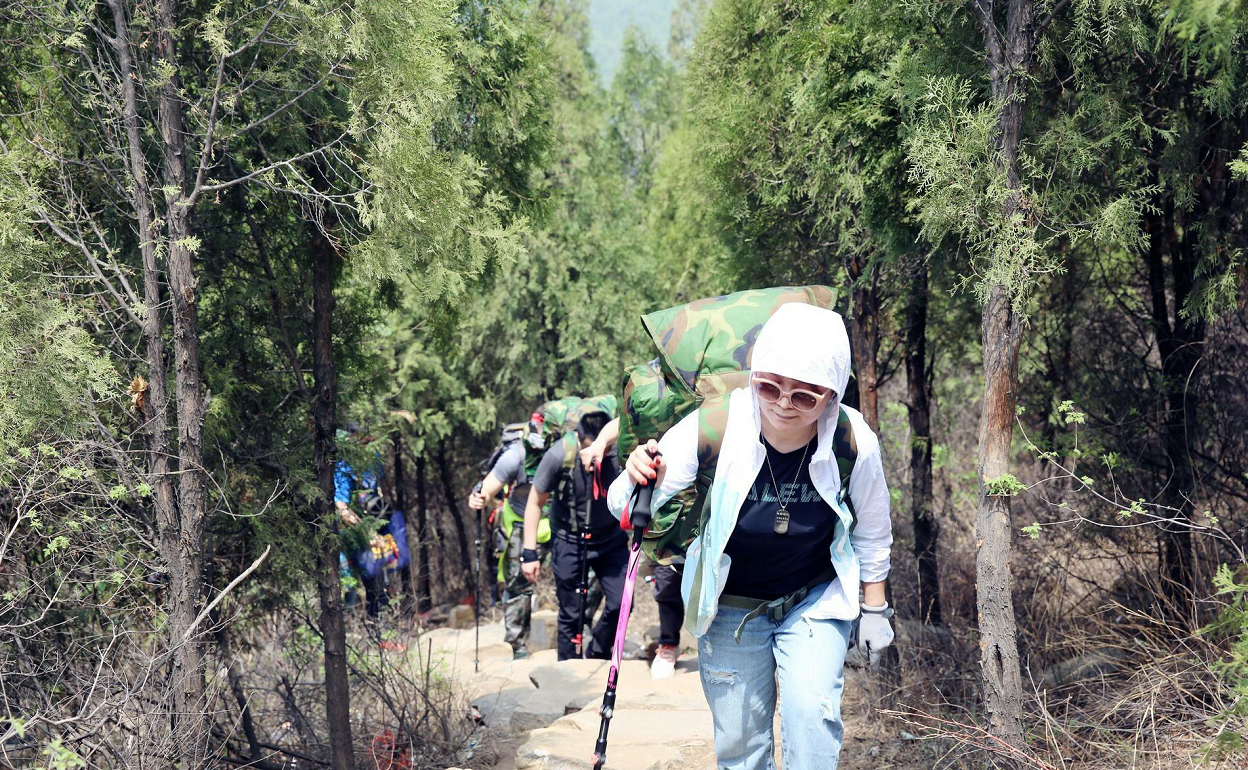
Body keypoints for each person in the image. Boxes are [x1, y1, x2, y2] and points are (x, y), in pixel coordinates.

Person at [609, 303, 894, 770]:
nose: (782, 403)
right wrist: (635, 473)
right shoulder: (716, 425)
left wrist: (876, 608)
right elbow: (623, 506)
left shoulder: (852, 440)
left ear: (831, 396)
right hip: (727, 603)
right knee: (741, 744)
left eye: (803, 396)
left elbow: (874, 529)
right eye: (768, 386)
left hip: (813, 597)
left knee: (812, 716)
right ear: (754, 377)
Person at [580, 418, 685, 679]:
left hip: (706, 493)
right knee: (667, 582)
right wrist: (600, 444)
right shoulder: (657, 392)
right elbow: (623, 419)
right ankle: (668, 644)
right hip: (664, 506)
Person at [521, 411, 627, 660]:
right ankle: (567, 668)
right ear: (579, 438)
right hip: (569, 539)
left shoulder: (619, 450)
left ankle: (598, 652)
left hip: (610, 539)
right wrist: (529, 552)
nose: (598, 456)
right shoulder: (560, 455)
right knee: (571, 612)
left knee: (622, 602)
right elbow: (535, 503)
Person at [468, 420, 548, 659]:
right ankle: (518, 647)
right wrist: (477, 498)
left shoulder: (564, 448)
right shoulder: (515, 456)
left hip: (558, 522)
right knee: (517, 585)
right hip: (520, 525)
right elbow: (486, 489)